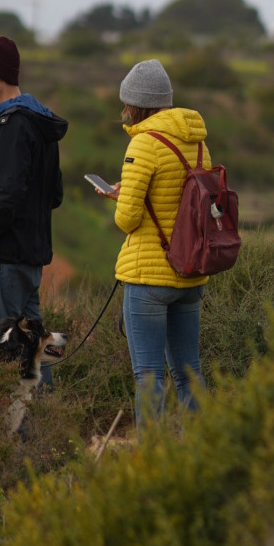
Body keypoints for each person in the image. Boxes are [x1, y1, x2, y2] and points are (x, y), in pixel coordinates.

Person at [96, 58, 208, 430]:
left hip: (149, 279)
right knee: (189, 373)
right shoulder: (197, 142)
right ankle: (208, 448)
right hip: (191, 273)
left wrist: (121, 198)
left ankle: (151, 461)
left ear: (136, 104)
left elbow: (127, 220)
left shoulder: (143, 145)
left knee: (149, 377)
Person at [0, 34, 67, 372]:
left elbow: (5, 194)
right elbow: (54, 194)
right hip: (29, 259)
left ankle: (11, 427)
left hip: (0, 259)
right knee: (34, 350)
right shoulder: (38, 122)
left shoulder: (12, 125)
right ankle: (46, 422)